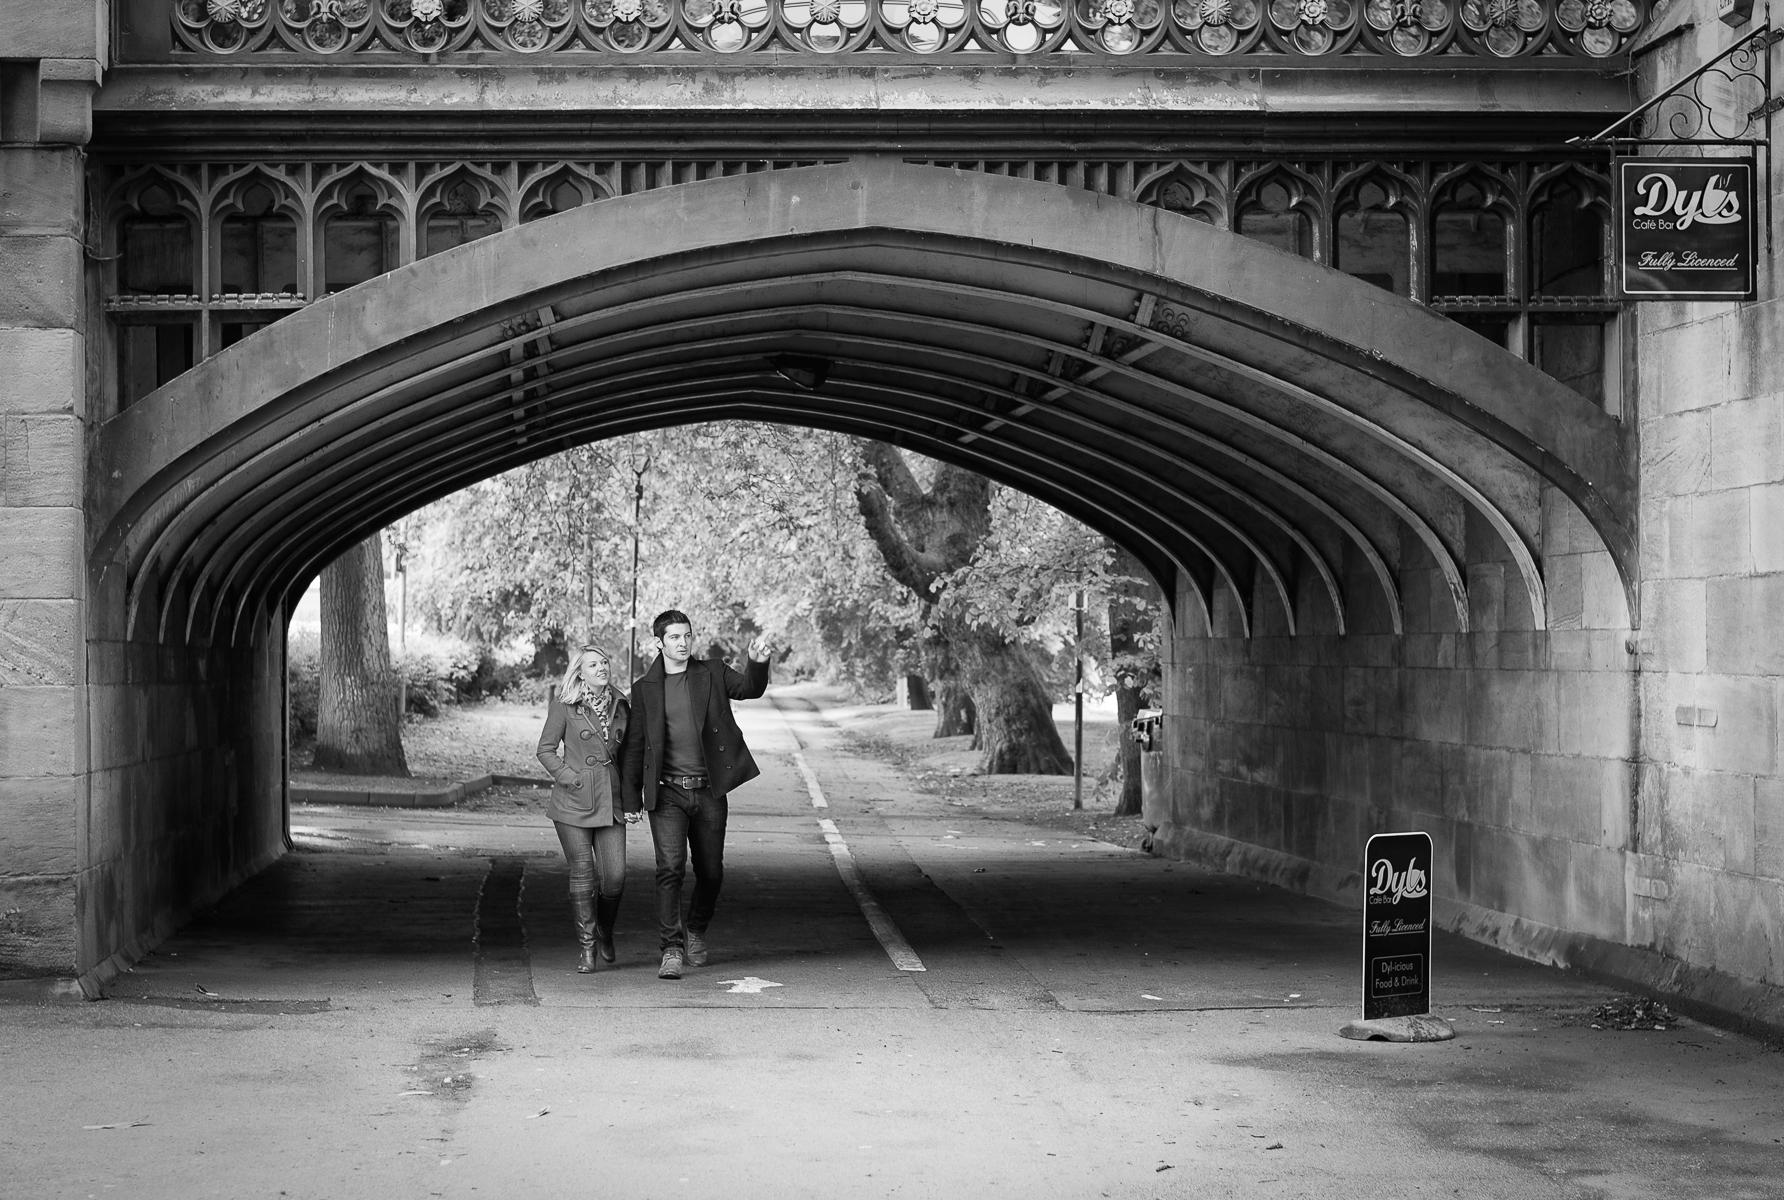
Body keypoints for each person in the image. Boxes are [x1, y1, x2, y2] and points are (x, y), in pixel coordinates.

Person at [621, 609, 772, 980]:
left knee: (711, 872)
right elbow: (635, 746)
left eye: (687, 636)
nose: (683, 643)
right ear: (659, 643)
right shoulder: (644, 690)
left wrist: (757, 661)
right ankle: (671, 948)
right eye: (674, 637)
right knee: (669, 869)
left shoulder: (713, 673)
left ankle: (697, 928)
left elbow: (750, 689)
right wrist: (630, 799)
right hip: (667, 793)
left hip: (708, 792)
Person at [536, 645, 639, 974]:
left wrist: (634, 797)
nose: (601, 668)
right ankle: (587, 947)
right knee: (583, 873)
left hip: (611, 799)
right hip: (573, 801)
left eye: (604, 663)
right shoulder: (564, 707)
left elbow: (631, 755)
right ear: (580, 672)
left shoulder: (622, 705)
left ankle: (604, 930)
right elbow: (545, 750)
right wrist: (570, 777)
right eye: (593, 664)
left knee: (615, 878)